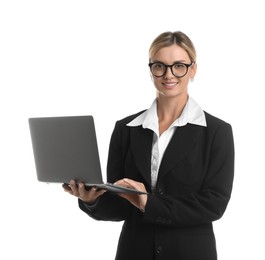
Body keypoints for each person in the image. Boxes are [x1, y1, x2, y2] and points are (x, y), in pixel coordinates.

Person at [63, 31, 235, 260]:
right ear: (150, 70)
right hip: (134, 252)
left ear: (193, 69)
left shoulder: (216, 132)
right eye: (159, 66)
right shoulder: (126, 128)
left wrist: (148, 202)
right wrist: (91, 200)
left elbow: (213, 205)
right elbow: (120, 206)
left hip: (190, 253)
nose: (169, 74)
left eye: (179, 66)